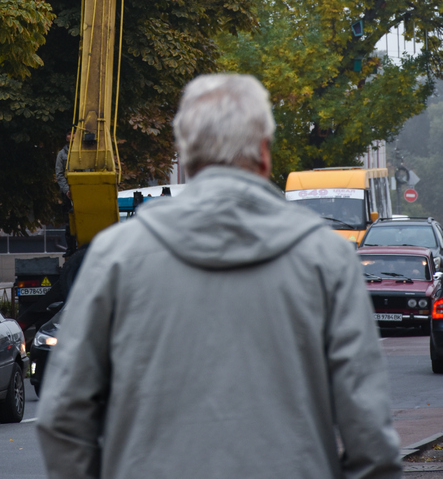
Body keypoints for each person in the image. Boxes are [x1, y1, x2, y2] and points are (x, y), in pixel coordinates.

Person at [37, 73, 402, 479]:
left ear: (186, 158)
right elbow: (370, 440)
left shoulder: (115, 259)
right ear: (264, 152)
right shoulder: (327, 260)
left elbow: (63, 417)